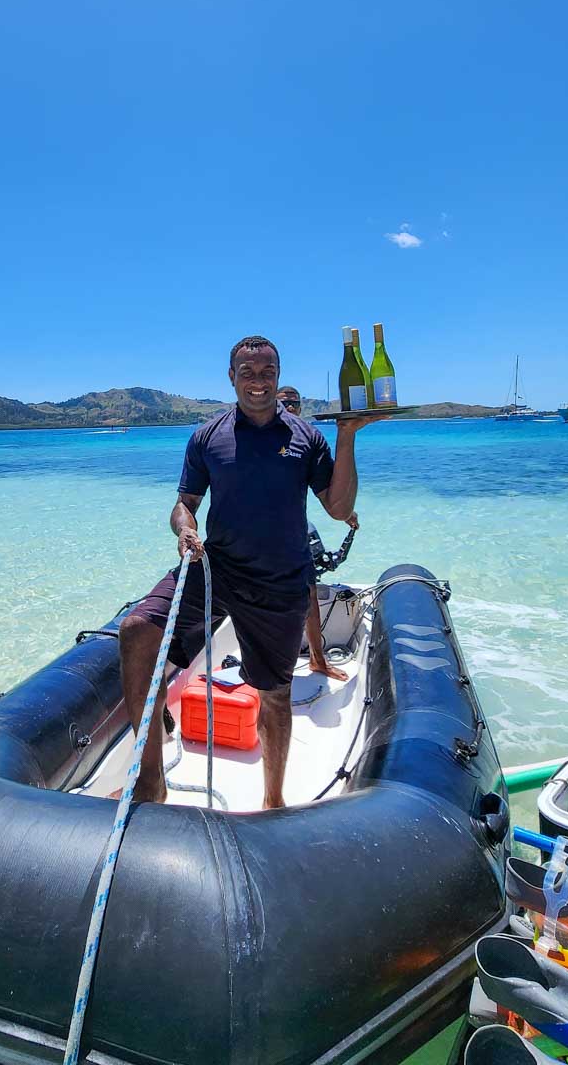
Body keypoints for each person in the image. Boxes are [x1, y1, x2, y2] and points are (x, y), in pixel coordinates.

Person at [118, 335, 381, 809]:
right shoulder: (207, 437)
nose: (258, 382)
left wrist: (347, 437)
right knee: (137, 630)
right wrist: (184, 529)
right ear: (231, 377)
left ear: (277, 376)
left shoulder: (306, 438)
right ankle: (150, 781)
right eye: (248, 372)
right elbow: (184, 503)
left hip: (279, 580)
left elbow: (340, 508)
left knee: (275, 695)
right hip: (215, 567)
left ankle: (272, 800)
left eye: (267, 372)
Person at [276, 385, 358, 682]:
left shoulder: (306, 441)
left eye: (295, 403)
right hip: (260, 540)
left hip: (294, 536)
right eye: (284, 403)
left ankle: (317, 659)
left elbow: (326, 490)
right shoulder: (262, 437)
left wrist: (346, 513)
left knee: (309, 597)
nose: (290, 408)